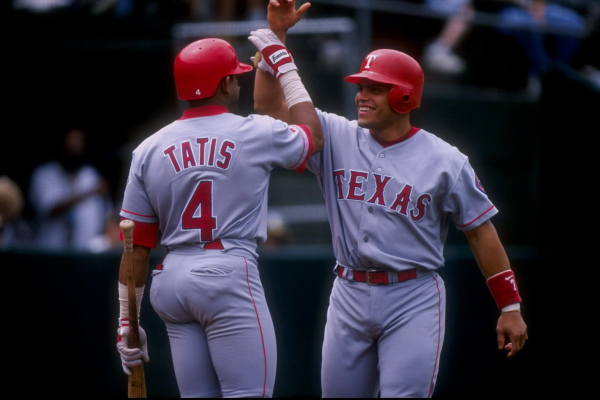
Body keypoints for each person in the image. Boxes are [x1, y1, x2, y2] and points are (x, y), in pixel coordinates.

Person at [252, 1, 528, 397]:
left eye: (375, 88)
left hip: (411, 294)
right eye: (361, 87)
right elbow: (268, 108)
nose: (362, 95)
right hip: (348, 289)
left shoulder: (445, 159)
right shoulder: (336, 135)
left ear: (403, 96)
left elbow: (480, 232)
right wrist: (275, 40)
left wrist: (510, 305)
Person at [115, 35, 323, 397]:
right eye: (234, 77)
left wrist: (125, 323)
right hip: (225, 271)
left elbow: (137, 248)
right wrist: (285, 67)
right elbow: (313, 137)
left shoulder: (148, 148)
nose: (237, 82)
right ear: (224, 83)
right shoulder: (254, 131)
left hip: (172, 279)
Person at [28, 128, 110, 250]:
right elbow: (50, 208)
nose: (75, 150)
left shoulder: (91, 175)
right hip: (50, 250)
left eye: (79, 145)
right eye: (71, 146)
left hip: (85, 250)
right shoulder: (44, 174)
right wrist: (90, 192)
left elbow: (107, 214)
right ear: (61, 146)